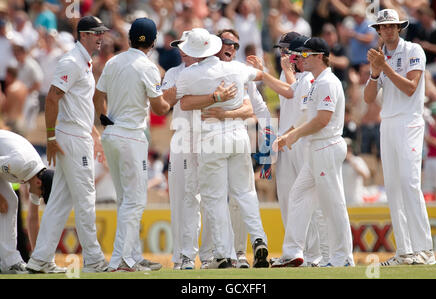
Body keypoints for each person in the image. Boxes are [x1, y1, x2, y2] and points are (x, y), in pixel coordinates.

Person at [176, 28, 269, 269]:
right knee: (245, 193)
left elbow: (183, 103)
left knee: (215, 199)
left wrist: (215, 102)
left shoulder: (190, 74)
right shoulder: (236, 68)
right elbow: (259, 80)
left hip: (211, 139)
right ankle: (259, 239)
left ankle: (225, 255)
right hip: (238, 136)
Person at [26, 16, 109, 274]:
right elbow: (52, 98)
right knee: (86, 197)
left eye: (101, 33)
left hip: (78, 134)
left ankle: (40, 260)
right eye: (96, 33)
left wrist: (94, 134)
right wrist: (50, 137)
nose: (101, 37)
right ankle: (94, 260)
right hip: (71, 138)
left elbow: (79, 104)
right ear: (83, 34)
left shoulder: (83, 61)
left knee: (61, 201)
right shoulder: (72, 61)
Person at [93, 18, 170, 272]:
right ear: (153, 42)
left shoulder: (114, 61)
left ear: (129, 39)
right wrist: (171, 98)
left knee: (125, 199)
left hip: (112, 135)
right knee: (134, 201)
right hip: (131, 136)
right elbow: (159, 107)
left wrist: (105, 120)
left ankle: (133, 256)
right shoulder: (147, 67)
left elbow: (98, 95)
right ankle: (121, 260)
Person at [270, 37, 354, 267]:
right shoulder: (316, 81)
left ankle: (343, 257)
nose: (301, 57)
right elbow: (307, 116)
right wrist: (286, 134)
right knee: (297, 195)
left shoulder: (327, 82)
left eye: (306, 54)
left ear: (320, 56)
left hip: (326, 145)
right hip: (316, 148)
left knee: (332, 203)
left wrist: (294, 135)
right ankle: (293, 253)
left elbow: (322, 120)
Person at [248, 36, 328, 267]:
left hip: (301, 141)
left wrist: (264, 74)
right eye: (280, 50)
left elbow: (293, 94)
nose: (281, 54)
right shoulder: (288, 73)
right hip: (285, 141)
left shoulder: (311, 76)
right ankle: (294, 251)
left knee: (307, 200)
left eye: (285, 50)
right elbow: (288, 93)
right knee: (287, 198)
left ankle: (315, 255)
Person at [364, 9, 435, 266]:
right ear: (379, 31)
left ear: (399, 28)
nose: (389, 30)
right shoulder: (381, 57)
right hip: (388, 123)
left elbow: (410, 88)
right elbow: (368, 99)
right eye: (384, 27)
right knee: (393, 187)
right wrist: (374, 72)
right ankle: (405, 251)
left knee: (409, 182)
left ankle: (425, 249)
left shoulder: (413, 51)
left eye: (393, 26)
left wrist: (384, 67)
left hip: (410, 122)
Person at [0, 129, 54, 274]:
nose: (40, 198)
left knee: (11, 202)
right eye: (42, 196)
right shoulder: (21, 163)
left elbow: (33, 219)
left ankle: (9, 262)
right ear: (38, 184)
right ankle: (9, 262)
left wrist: (39, 259)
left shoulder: (37, 176)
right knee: (7, 201)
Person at [342, 137, 371, 205]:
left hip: (356, 200)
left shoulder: (357, 160)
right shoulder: (338, 163)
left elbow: (366, 176)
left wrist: (352, 163)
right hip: (343, 201)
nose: (347, 150)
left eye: (348, 148)